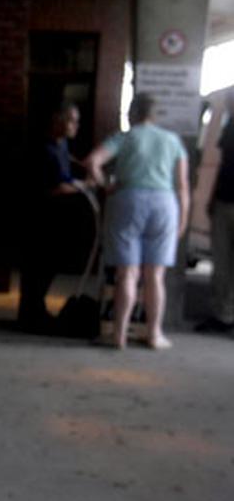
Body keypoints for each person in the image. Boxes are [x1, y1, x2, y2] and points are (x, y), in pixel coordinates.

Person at [85, 93, 189, 349]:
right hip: (164, 205)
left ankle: (118, 335)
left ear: (132, 113)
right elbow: (183, 186)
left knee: (126, 274)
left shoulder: (125, 137)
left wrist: (105, 185)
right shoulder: (173, 141)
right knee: (155, 275)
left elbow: (92, 161)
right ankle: (154, 334)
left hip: (128, 201)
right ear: (155, 115)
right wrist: (183, 220)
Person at [18, 101, 86, 332]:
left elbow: (66, 167)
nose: (75, 125)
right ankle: (30, 315)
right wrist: (84, 185)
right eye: (71, 120)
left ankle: (35, 311)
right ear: (58, 121)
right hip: (41, 217)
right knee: (38, 267)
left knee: (48, 267)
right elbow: (52, 187)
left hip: (57, 218)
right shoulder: (43, 149)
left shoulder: (62, 144)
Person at [196, 89, 234, 334]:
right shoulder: (230, 127)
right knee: (221, 262)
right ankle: (223, 314)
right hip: (223, 201)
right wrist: (211, 198)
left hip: (225, 201)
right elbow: (222, 165)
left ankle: (226, 315)